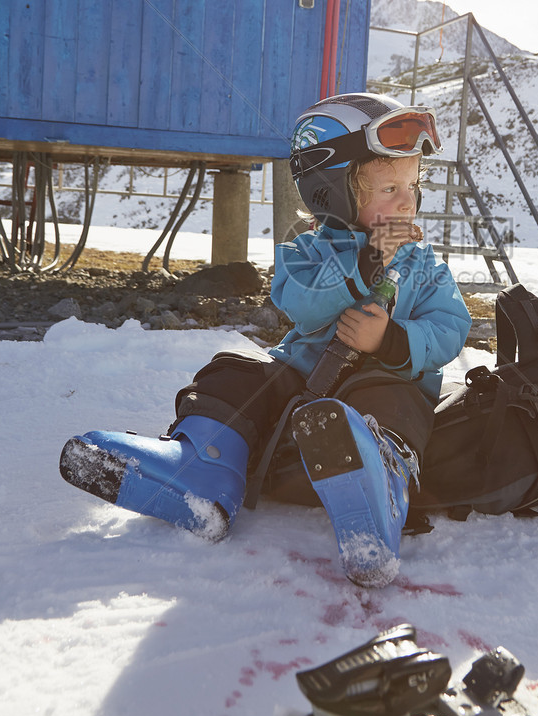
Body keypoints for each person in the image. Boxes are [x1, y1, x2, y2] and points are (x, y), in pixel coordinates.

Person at [59, 94, 471, 588]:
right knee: (234, 372)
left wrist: (392, 340)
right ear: (332, 192)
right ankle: (203, 472)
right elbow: (299, 302)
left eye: (412, 185)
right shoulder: (305, 252)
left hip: (382, 390)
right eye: (388, 187)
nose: (407, 201)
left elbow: (451, 326)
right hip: (303, 380)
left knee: (394, 400)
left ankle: (378, 491)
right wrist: (363, 265)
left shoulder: (425, 265)